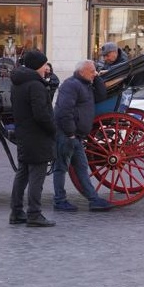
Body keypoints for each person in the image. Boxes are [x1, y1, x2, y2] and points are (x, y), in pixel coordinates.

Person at [52, 60, 113, 213]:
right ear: (81, 72)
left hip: (76, 136)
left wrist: (97, 77)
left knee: (81, 167)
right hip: (67, 134)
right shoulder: (71, 85)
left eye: (95, 71)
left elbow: (101, 95)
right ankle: (59, 201)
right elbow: (63, 111)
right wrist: (71, 133)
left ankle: (94, 200)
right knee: (60, 167)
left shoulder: (86, 85)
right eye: (92, 71)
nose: (94, 73)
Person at [8, 50, 57, 227]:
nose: (46, 68)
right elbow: (41, 114)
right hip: (37, 136)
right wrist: (53, 130)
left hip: (24, 134)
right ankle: (34, 214)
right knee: (37, 176)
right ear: (37, 65)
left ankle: (16, 211)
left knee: (22, 174)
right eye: (44, 64)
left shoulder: (18, 83)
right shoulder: (35, 85)